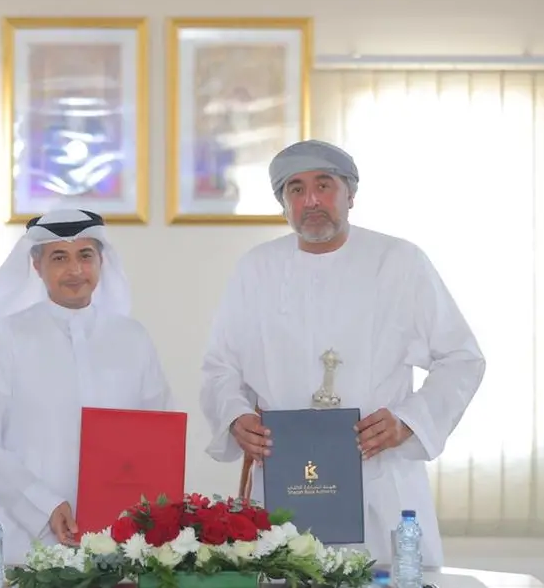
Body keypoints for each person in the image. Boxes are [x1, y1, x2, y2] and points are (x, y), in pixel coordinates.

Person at [198, 140, 486, 567]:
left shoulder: (400, 262)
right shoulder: (255, 269)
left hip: (378, 475)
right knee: (284, 573)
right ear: (283, 203)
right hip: (284, 480)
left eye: (324, 185)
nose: (311, 200)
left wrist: (409, 421)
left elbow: (462, 358)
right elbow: (220, 367)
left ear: (350, 194)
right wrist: (236, 416)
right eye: (296, 189)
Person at [0, 209, 176, 564]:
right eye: (59, 257)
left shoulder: (133, 339)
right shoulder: (5, 337)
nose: (75, 270)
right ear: (37, 266)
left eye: (85, 255)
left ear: (101, 261)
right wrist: (44, 504)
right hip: (26, 536)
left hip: (116, 536)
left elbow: (158, 433)